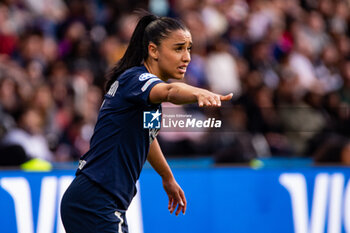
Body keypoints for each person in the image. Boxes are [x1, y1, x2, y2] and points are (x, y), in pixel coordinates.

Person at [60, 12, 233, 233]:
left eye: (189, 48)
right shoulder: (137, 79)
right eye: (178, 48)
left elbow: (148, 136)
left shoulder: (144, 96)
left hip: (96, 200)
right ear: (153, 50)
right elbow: (171, 91)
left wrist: (167, 177)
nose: (187, 57)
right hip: (97, 201)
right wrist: (199, 93)